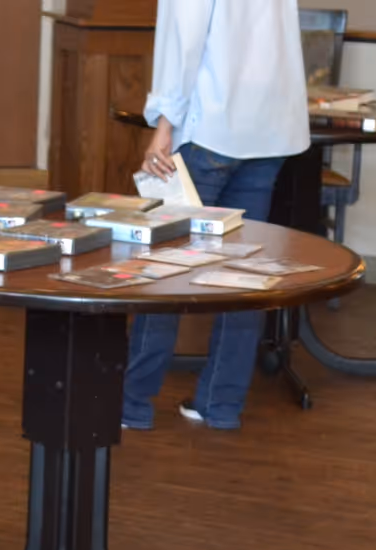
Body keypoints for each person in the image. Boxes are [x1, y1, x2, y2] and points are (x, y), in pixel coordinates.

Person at [122, 0, 309, 431]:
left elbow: (182, 44)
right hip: (270, 130)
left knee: (165, 271)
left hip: (210, 128)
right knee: (243, 275)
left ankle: (132, 403)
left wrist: (163, 129)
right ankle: (220, 404)